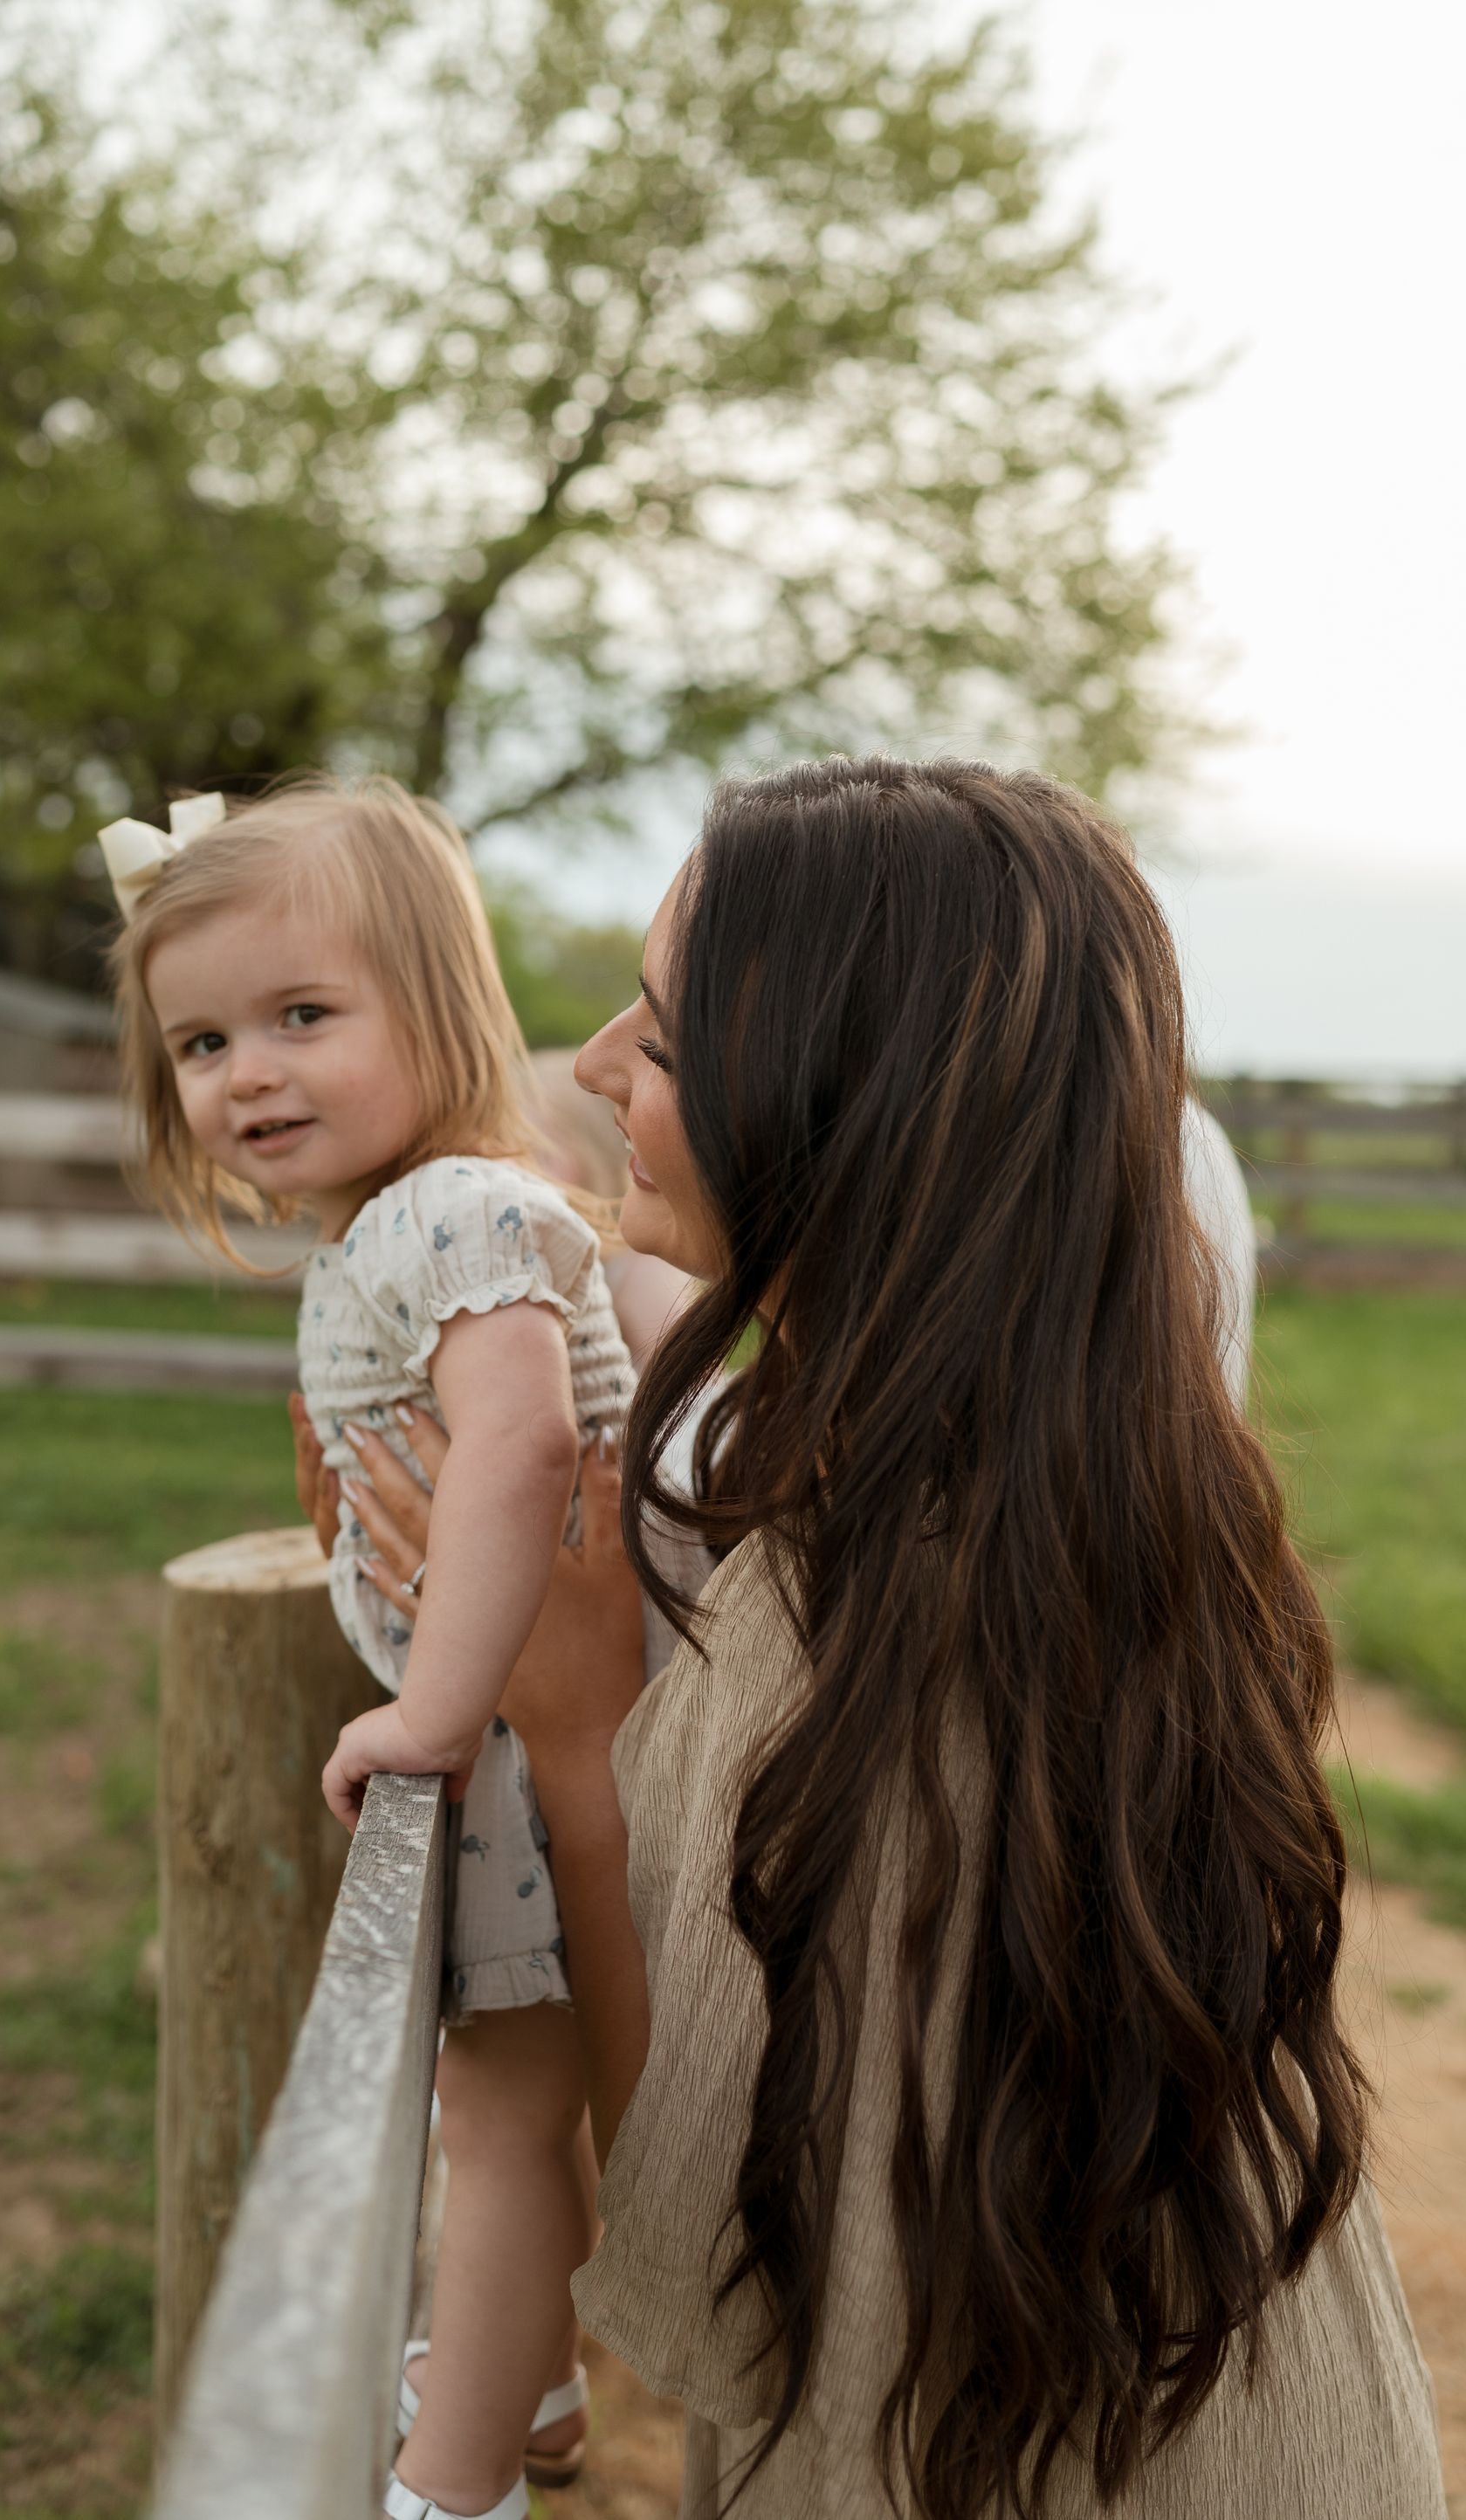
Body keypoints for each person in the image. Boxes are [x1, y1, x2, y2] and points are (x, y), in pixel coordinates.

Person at [321, 758, 1447, 2517]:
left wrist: (570, 1730)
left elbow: (720, 2245)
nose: (600, 1064)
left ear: (844, 1114)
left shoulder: (856, 1608)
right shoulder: (1096, 1499)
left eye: (671, 1042)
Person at [100, 775, 645, 2520]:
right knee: (513, 2107)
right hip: (523, 1726)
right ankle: (535, 2386)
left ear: (446, 1007)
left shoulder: (448, 1212)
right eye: (201, 1045)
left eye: (302, 1017)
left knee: (492, 2118)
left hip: (525, 1739)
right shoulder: (404, 1221)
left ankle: (453, 2480)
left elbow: (527, 1449)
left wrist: (428, 1707)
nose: (245, 1073)